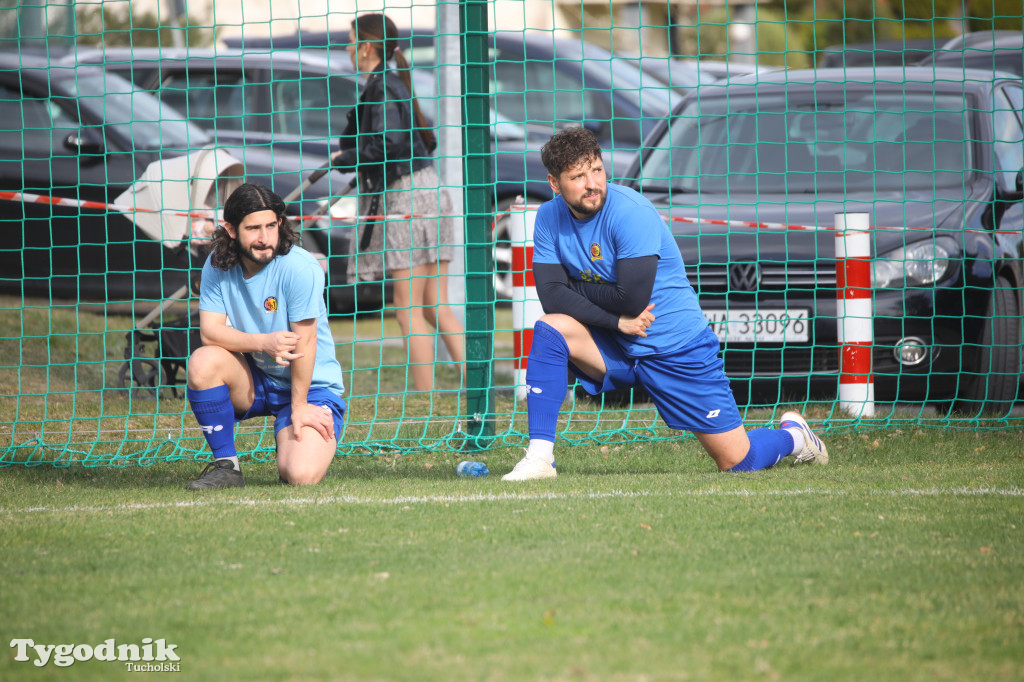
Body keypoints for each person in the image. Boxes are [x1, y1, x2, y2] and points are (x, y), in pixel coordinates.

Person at [501, 127, 829, 481]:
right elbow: (550, 296)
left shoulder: (631, 212)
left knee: (739, 463)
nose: (592, 183)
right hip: (615, 342)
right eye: (577, 176)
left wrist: (573, 286)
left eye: (596, 169)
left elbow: (632, 299)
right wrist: (616, 323)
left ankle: (795, 437)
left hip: (675, 346)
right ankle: (539, 459)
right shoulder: (549, 217)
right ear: (554, 183)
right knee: (549, 329)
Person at [332, 12, 465, 392]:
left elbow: (387, 143)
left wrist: (346, 158)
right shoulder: (393, 83)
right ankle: (478, 388)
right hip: (428, 191)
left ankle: (425, 398)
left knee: (408, 306)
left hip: (408, 198)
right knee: (433, 305)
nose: (347, 46)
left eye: (350, 39)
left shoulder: (383, 87)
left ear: (367, 46)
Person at [184, 183, 346, 489]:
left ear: (280, 224)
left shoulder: (300, 267)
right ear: (231, 230)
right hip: (257, 380)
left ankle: (290, 434)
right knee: (203, 362)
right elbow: (210, 333)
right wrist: (263, 343)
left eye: (271, 225)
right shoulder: (217, 264)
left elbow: (306, 342)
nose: (264, 237)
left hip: (310, 387)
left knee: (300, 475)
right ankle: (227, 468)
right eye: (254, 228)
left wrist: (299, 407)